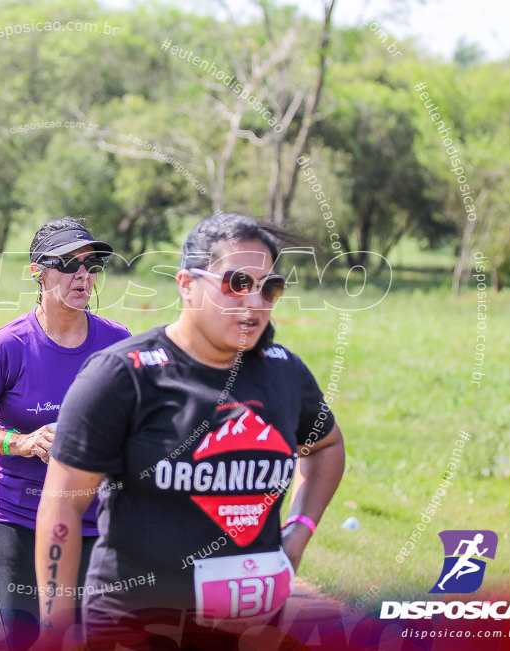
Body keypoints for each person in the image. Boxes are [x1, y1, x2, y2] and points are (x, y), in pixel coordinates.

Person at [35, 213, 346, 649]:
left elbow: (327, 445)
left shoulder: (285, 374)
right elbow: (63, 507)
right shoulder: (122, 375)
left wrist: (298, 532)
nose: (254, 302)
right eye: (236, 283)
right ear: (186, 284)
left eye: (269, 288)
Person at [0, 218, 131, 649]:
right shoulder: (9, 345)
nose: (83, 275)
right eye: (68, 264)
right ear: (37, 271)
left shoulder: (118, 342)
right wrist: (19, 442)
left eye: (92, 264)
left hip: (95, 524)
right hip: (16, 521)